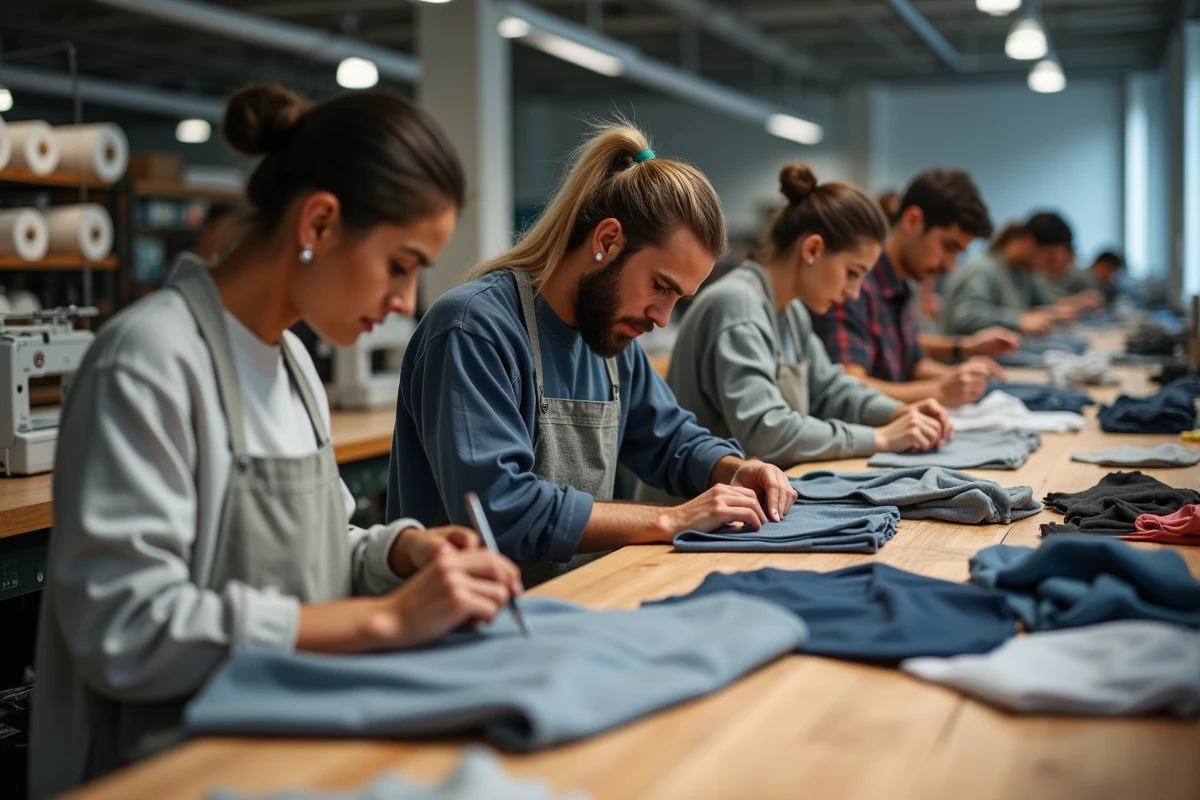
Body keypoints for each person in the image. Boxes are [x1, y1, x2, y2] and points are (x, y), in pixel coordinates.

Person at [30, 84, 522, 798]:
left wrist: (401, 552)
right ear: (319, 223)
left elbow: (316, 555)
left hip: (281, 740)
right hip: (163, 770)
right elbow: (127, 628)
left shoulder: (292, 364)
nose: (405, 303)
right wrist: (383, 620)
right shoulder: (149, 362)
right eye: (401, 264)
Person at [388, 122, 797, 586]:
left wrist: (737, 468)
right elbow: (504, 511)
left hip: (572, 600)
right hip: (463, 626)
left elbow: (670, 440)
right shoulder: (473, 330)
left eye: (677, 299)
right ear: (607, 241)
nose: (662, 317)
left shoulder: (608, 337)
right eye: (660, 286)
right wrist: (671, 520)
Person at [644, 164, 952, 478]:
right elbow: (768, 433)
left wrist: (897, 412)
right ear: (813, 249)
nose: (853, 292)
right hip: (685, 511)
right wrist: (880, 437)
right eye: (852, 273)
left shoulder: (791, 313)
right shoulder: (738, 305)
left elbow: (831, 390)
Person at [811, 168, 1017, 408]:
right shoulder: (857, 285)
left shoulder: (900, 283)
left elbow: (913, 364)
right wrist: (939, 390)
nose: (950, 266)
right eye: (948, 246)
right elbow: (850, 385)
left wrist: (966, 377)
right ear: (912, 221)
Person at [941, 212, 1100, 337]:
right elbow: (964, 316)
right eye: (1048, 258)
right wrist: (1019, 320)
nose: (1046, 267)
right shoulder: (983, 269)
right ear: (1029, 242)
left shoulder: (1023, 273)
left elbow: (1043, 302)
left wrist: (1060, 309)